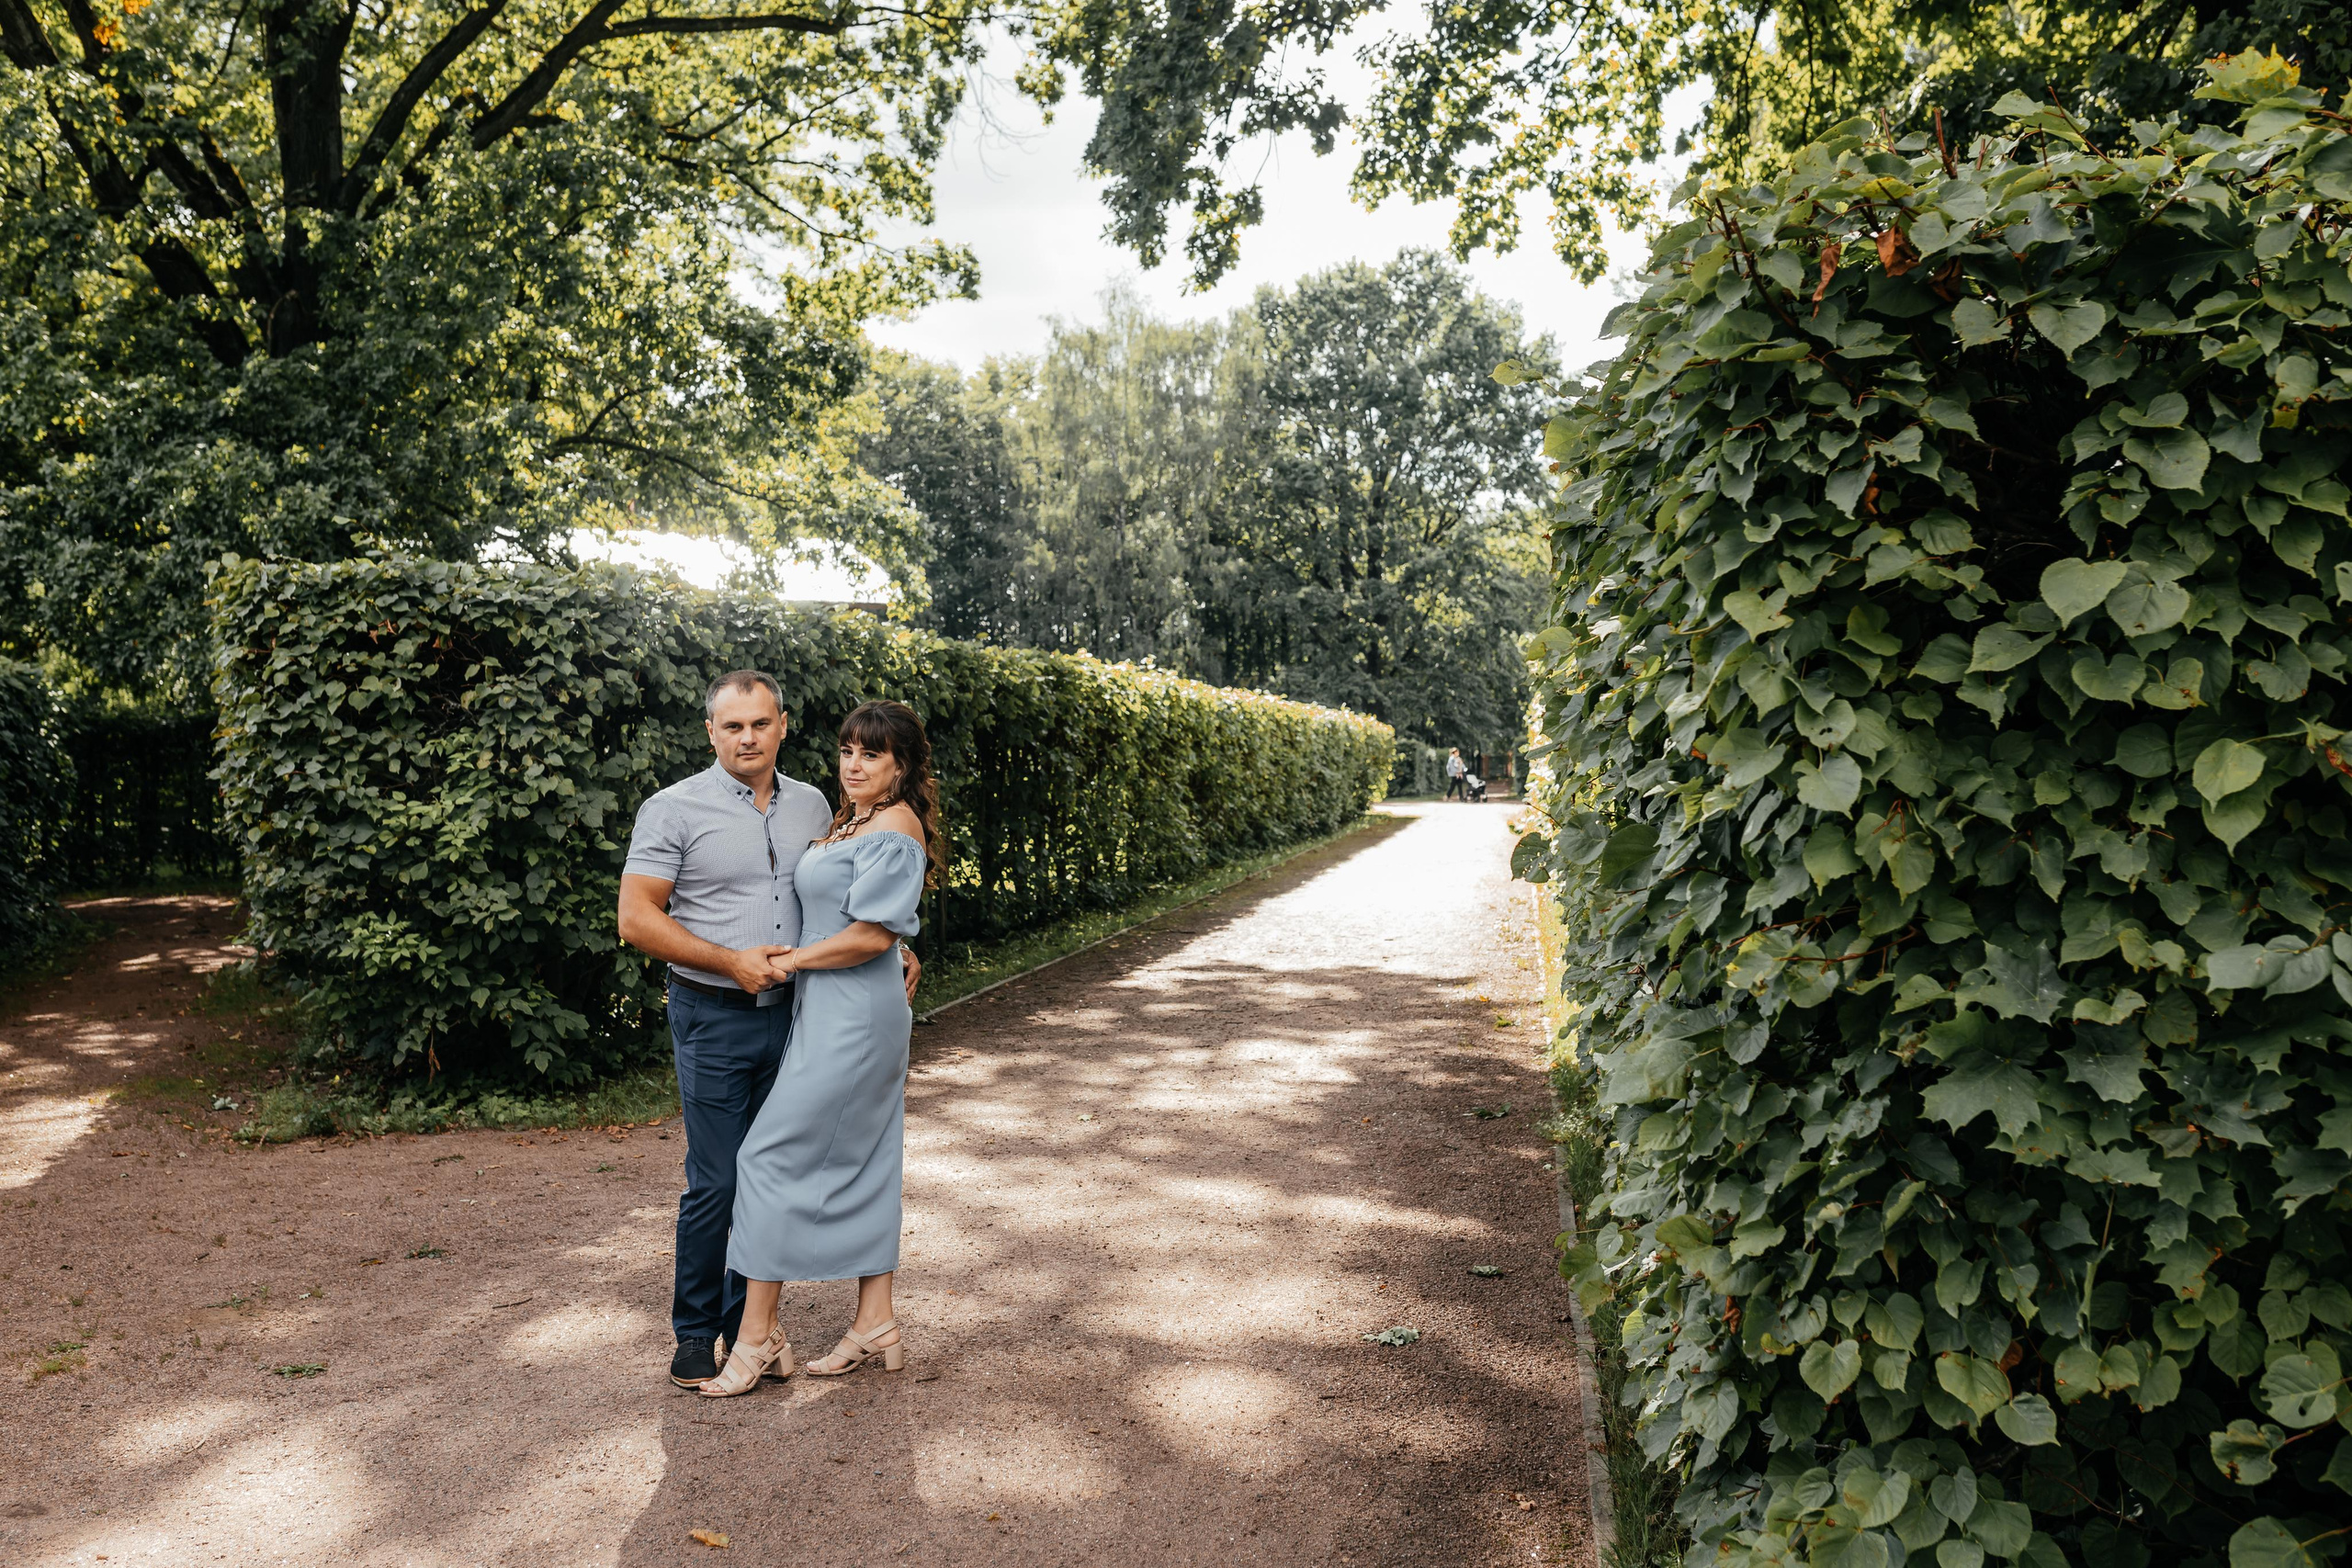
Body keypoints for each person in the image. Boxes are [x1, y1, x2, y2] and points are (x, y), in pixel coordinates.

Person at [616, 671, 919, 1389]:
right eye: (732, 726)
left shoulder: (818, 803)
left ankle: (767, 1330)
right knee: (720, 1177)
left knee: (811, 1157)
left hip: (801, 1012)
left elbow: (860, 898)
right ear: (710, 732)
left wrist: (897, 942)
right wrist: (732, 961)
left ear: (782, 724)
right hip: (714, 1012)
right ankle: (701, 1331)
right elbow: (636, 918)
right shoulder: (672, 807)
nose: (746, 737)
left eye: (760, 723)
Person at [698, 699, 939, 1395]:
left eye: (872, 755)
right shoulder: (854, 819)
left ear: (901, 765)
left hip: (855, 1017)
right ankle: (875, 1320)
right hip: (835, 1007)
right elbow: (870, 922)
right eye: (846, 751)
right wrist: (898, 946)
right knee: (868, 1155)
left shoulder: (895, 825)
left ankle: (756, 1335)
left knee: (764, 1155)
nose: (854, 765)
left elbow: (869, 932)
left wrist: (793, 961)